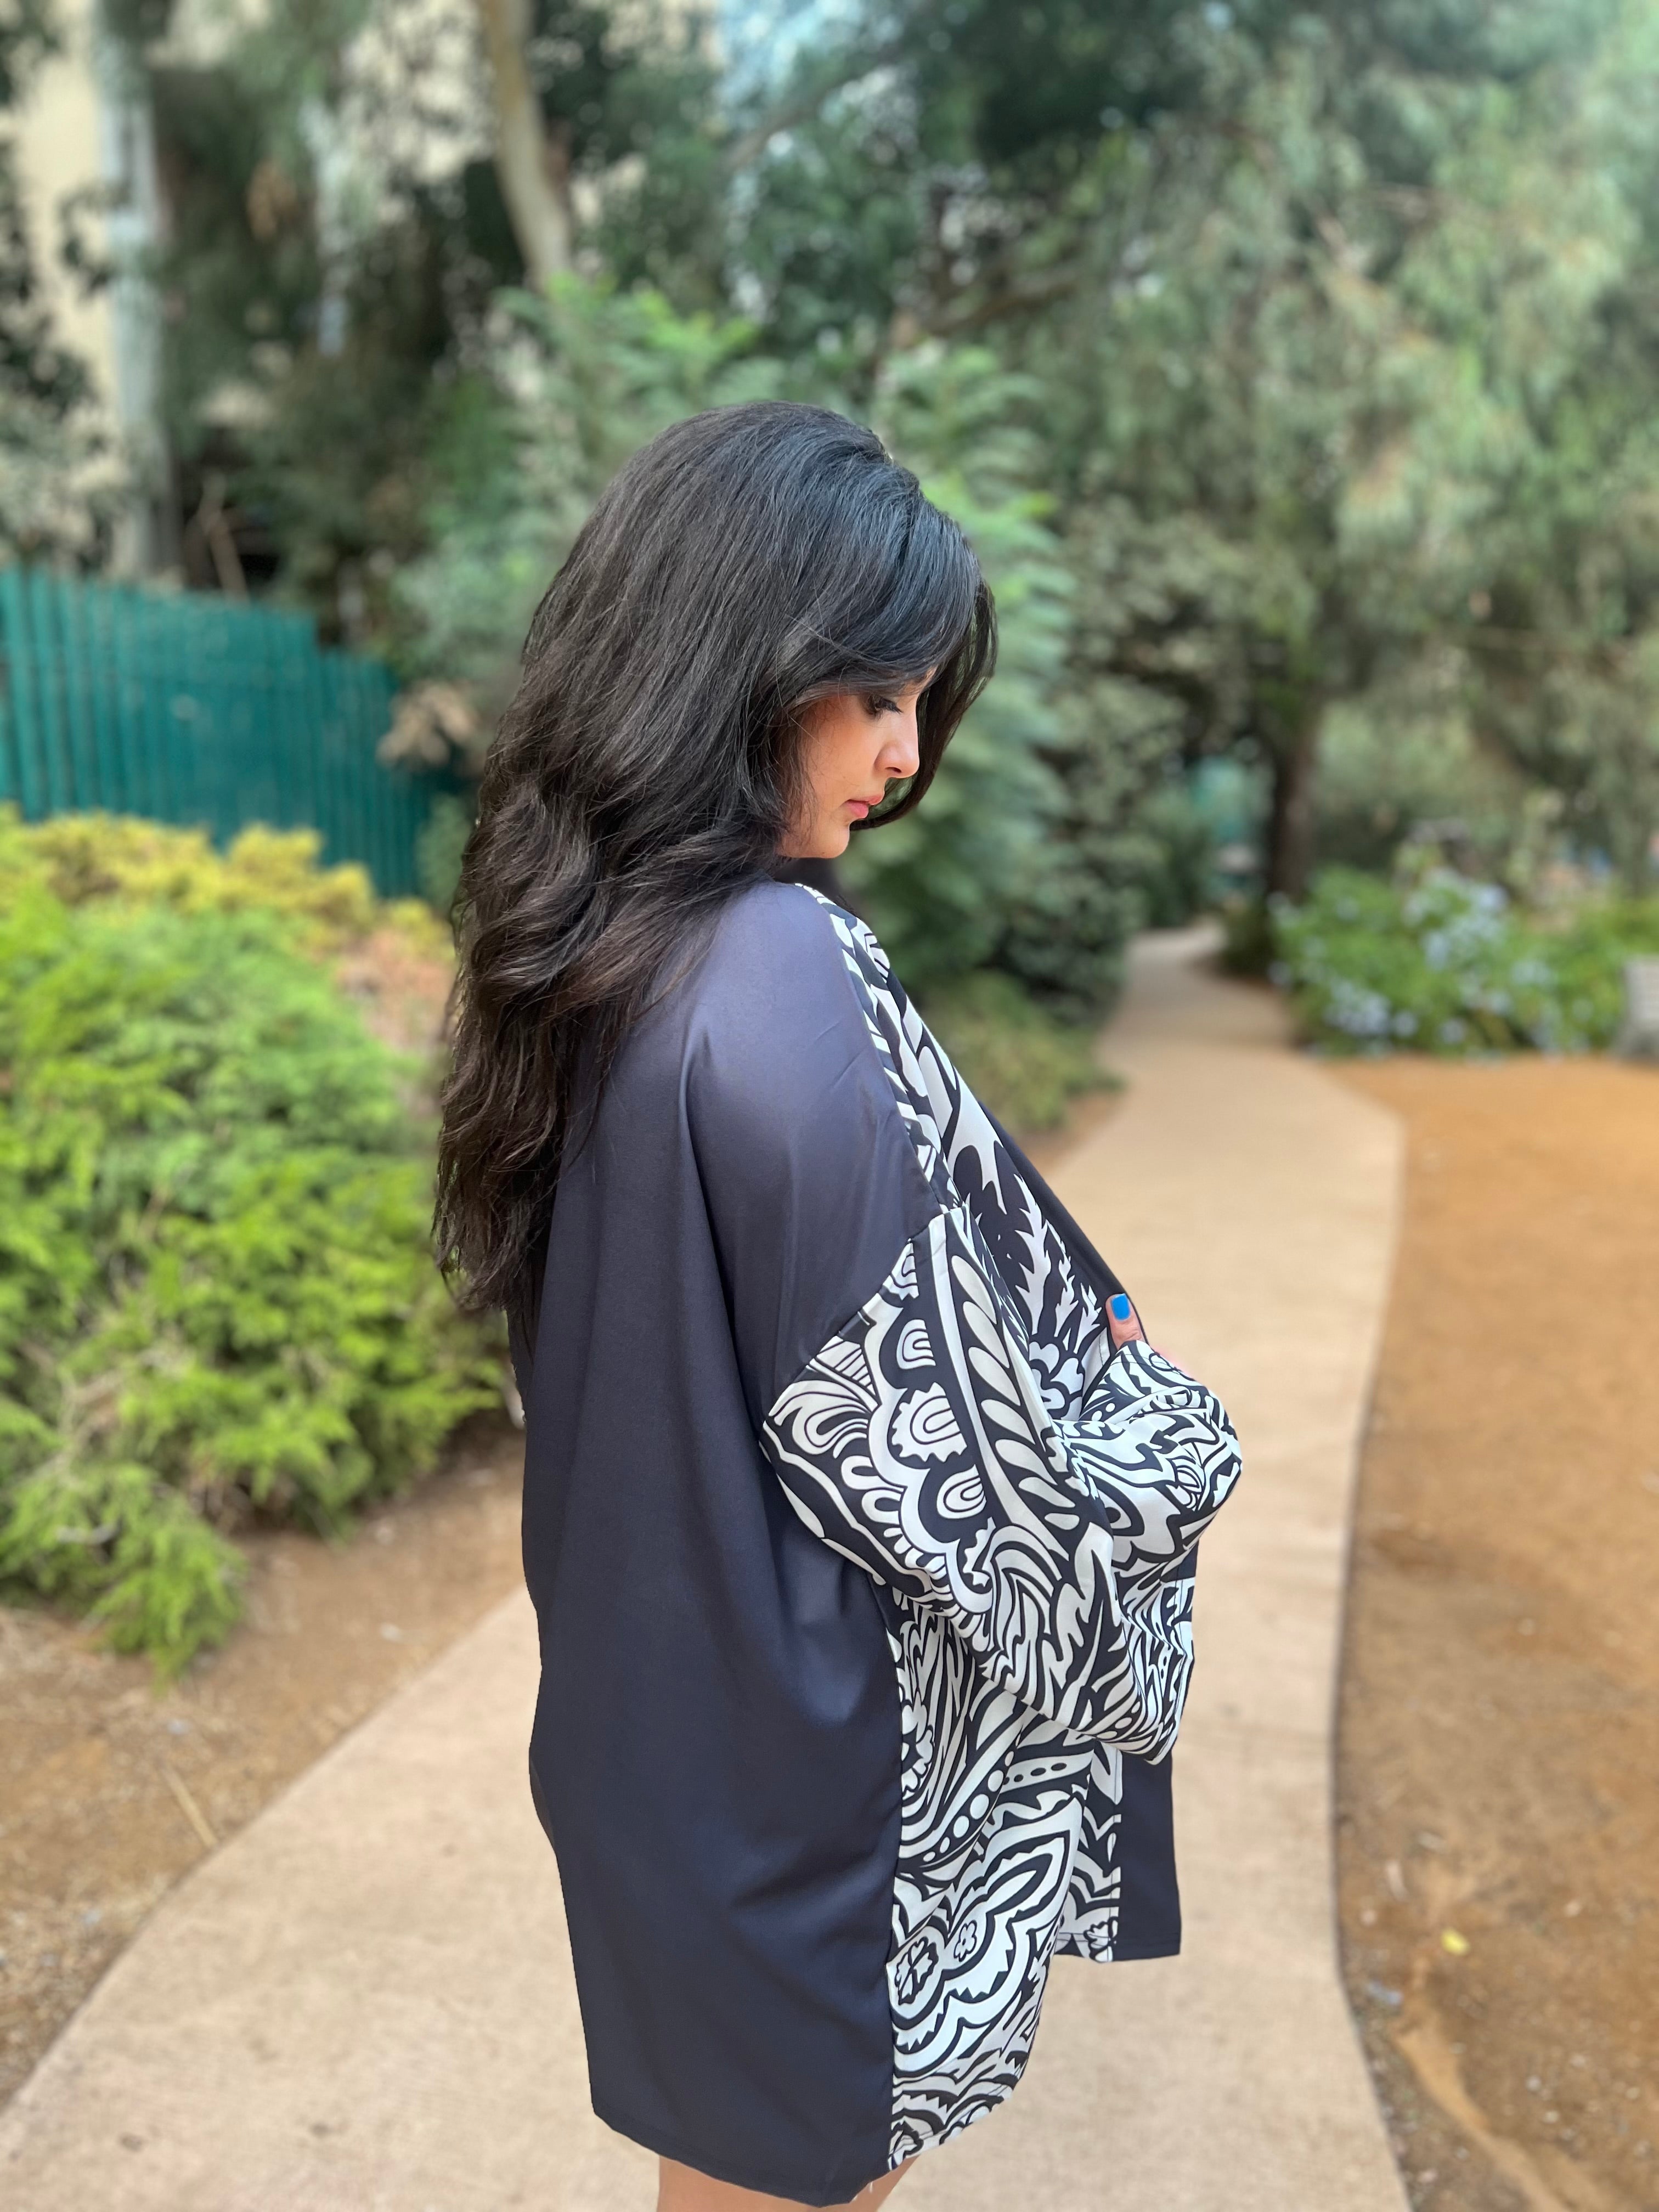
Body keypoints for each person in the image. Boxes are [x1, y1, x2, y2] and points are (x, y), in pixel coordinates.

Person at [436, 402, 1242, 2212]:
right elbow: (932, 1448)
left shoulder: (585, 958)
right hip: (812, 1772)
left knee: (722, 2174)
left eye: (917, 707)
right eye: (874, 694)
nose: (901, 751)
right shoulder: (782, 964)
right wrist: (1174, 1461)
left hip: (658, 1735)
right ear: (739, 661)